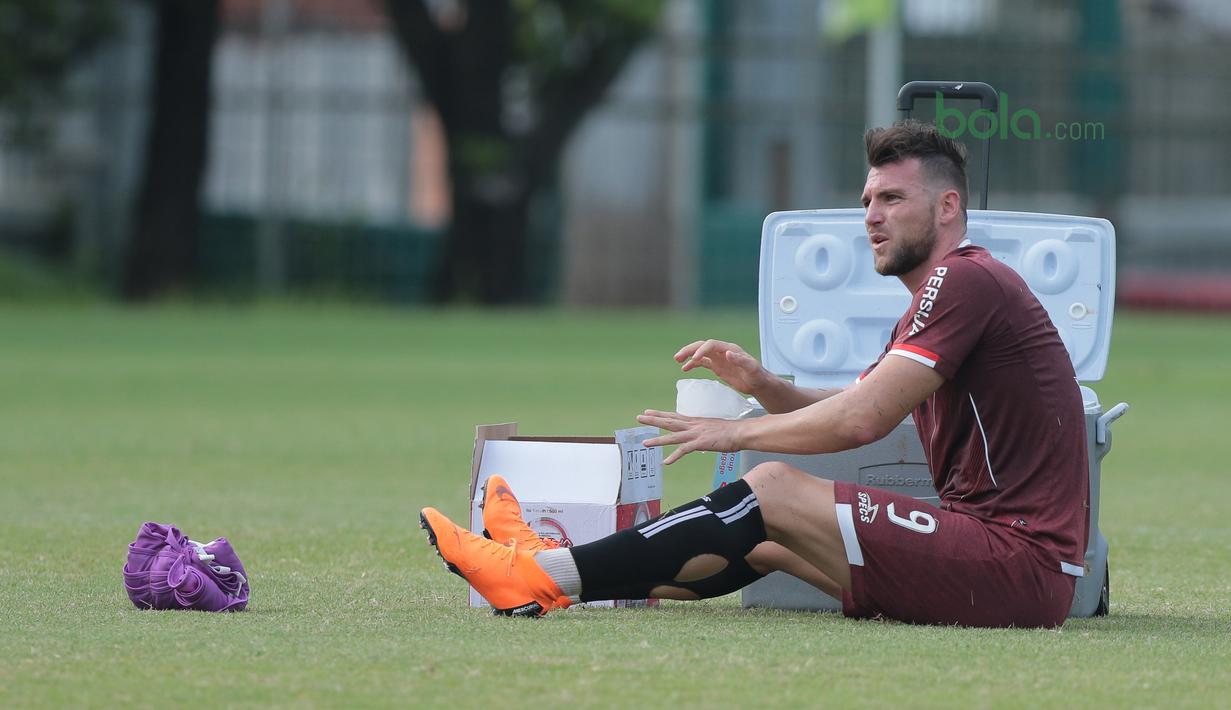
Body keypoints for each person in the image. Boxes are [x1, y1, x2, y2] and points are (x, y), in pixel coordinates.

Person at [419, 119, 1090, 628]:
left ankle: (534, 573)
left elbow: (859, 421)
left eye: (891, 198)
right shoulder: (935, 299)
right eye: (865, 200)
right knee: (764, 538)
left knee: (768, 487)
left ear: (946, 209)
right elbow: (857, 403)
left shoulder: (964, 280)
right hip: (997, 558)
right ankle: (551, 576)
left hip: (1019, 565)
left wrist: (733, 434)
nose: (871, 218)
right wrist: (759, 384)